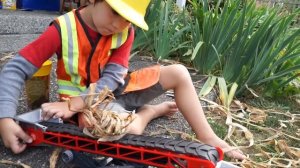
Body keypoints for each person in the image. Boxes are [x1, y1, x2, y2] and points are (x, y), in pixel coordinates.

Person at [0, 0, 246, 160]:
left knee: (180, 72)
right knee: (119, 131)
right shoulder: (62, 29)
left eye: (127, 18)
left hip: (116, 90)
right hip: (91, 110)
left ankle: (208, 136)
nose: (119, 24)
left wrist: (74, 104)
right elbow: (14, 70)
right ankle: (147, 113)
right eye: (115, 11)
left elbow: (114, 78)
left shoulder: (124, 32)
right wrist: (5, 118)